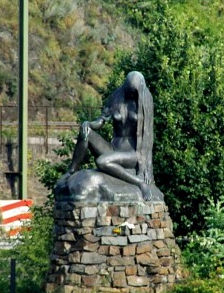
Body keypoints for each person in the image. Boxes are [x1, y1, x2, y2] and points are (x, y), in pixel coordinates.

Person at [62, 71, 156, 199]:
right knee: (86, 133)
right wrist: (88, 124)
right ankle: (71, 171)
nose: (131, 93)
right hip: (113, 148)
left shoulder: (145, 104)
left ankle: (139, 183)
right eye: (128, 90)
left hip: (133, 153)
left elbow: (147, 138)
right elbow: (100, 121)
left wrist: (144, 167)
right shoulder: (116, 98)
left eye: (134, 91)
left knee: (102, 161)